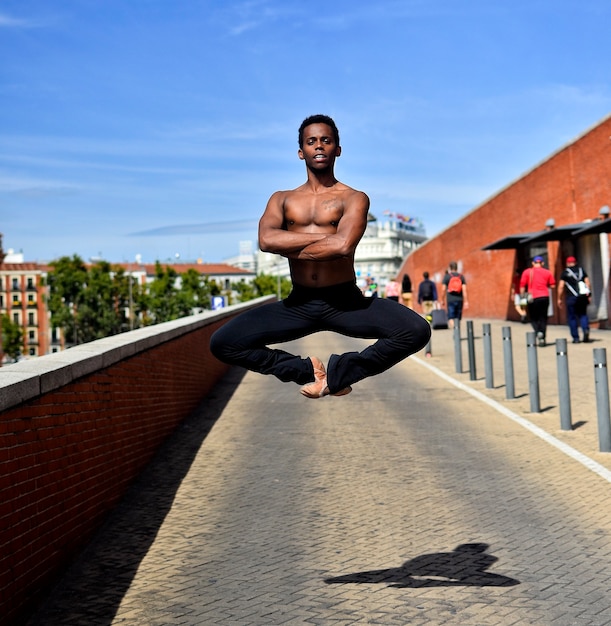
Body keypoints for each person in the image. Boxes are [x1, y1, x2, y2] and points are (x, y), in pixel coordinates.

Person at [210, 114, 431, 399]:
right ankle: (307, 371)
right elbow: (266, 241)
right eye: (311, 141)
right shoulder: (282, 199)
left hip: (346, 302)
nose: (319, 146)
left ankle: (342, 372)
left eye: (326, 140)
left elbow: (343, 247)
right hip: (299, 303)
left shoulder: (354, 198)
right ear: (301, 151)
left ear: (337, 149)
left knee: (416, 330)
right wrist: (328, 237)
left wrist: (290, 241)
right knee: (223, 342)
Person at [520, 255, 556, 347]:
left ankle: (538, 332)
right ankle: (542, 335)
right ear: (542, 263)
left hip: (533, 298)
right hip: (544, 296)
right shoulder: (548, 272)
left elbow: (522, 286)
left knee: (533, 317)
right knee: (543, 317)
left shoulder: (527, 272)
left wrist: (522, 297)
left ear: (533, 263)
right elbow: (552, 285)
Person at [557, 256, 591, 343]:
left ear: (567, 263)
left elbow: (561, 286)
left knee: (572, 317)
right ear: (575, 262)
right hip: (582, 297)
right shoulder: (581, 271)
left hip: (571, 297)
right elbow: (588, 283)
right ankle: (585, 329)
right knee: (583, 314)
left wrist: (559, 298)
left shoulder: (565, 273)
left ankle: (576, 338)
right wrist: (589, 295)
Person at [442, 262, 468, 329]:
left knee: (451, 317)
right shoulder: (461, 276)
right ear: (457, 268)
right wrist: (466, 301)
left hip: (450, 299)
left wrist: (442, 299)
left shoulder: (447, 276)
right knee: (458, 317)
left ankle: (455, 330)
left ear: (450, 268)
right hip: (460, 299)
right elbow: (464, 290)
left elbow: (443, 289)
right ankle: (457, 331)